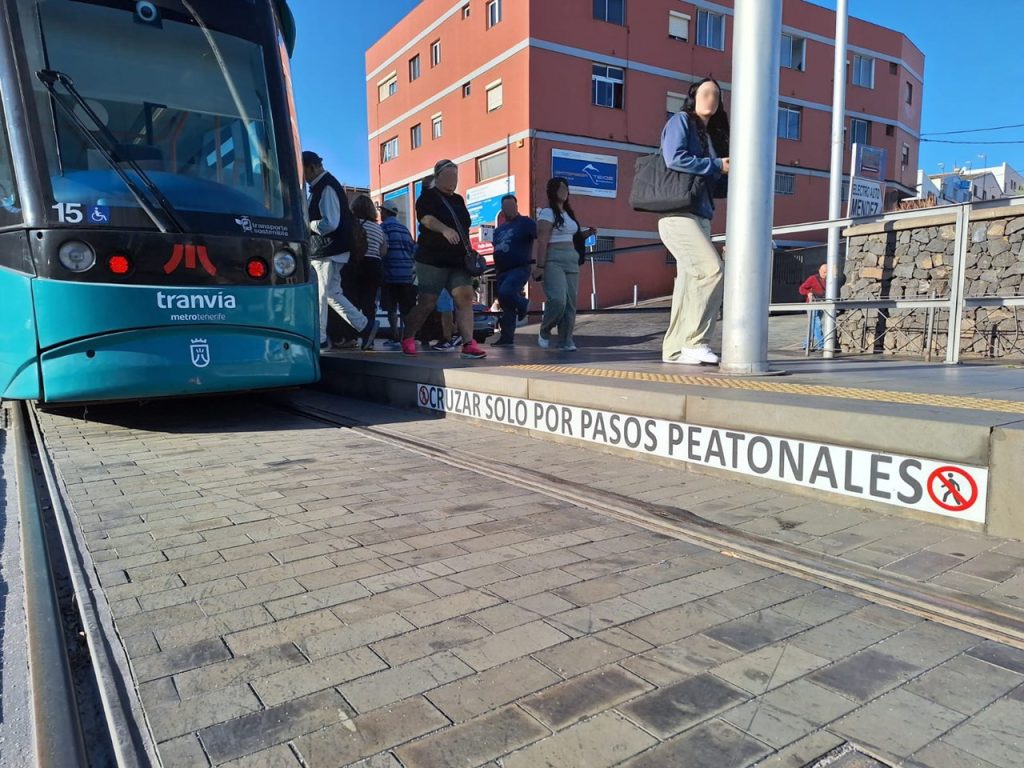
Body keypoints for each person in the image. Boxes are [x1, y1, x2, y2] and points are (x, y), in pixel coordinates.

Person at [658, 78, 730, 366]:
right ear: (693, 97)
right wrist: (715, 165)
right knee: (712, 271)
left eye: (716, 94)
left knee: (688, 286)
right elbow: (673, 157)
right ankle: (695, 342)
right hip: (677, 215)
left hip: (699, 215)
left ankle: (674, 350)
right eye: (705, 93)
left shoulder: (708, 135)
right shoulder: (681, 121)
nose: (711, 98)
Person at [400, 159, 487, 360]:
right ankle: (408, 335)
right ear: (437, 177)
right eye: (448, 176)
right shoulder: (427, 197)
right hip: (432, 258)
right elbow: (426, 219)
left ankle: (468, 343)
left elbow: (463, 226)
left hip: (458, 259)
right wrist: (444, 229)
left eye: (455, 176)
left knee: (464, 297)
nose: (452, 180)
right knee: (427, 303)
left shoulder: (458, 200)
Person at [302, 151, 376, 351]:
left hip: (327, 250)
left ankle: (321, 338)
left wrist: (308, 224)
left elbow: (330, 223)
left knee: (321, 294)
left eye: (304, 171)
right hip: (335, 249)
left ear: (312, 167)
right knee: (332, 293)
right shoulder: (326, 186)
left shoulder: (324, 187)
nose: (303, 176)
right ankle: (364, 325)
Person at [533, 177, 594, 351]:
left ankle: (566, 340)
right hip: (553, 259)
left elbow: (573, 237)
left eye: (566, 189)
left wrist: (587, 233)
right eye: (561, 189)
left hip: (571, 259)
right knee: (558, 299)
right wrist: (540, 266)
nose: (564, 192)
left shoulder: (568, 214)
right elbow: (543, 241)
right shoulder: (547, 213)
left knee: (571, 302)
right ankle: (545, 330)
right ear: (552, 191)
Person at [492, 194, 536, 345]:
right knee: (506, 305)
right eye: (506, 207)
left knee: (507, 292)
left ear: (516, 207)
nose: (509, 209)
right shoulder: (499, 230)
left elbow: (540, 237)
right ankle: (506, 338)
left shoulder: (525, 223)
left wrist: (538, 263)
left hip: (519, 267)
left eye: (512, 206)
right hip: (502, 270)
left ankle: (523, 303)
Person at [349, 194, 388, 350]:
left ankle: (350, 336)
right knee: (369, 303)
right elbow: (383, 251)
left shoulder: (353, 224)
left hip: (356, 264)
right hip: (375, 266)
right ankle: (369, 339)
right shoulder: (378, 229)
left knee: (351, 302)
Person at [379, 201, 417, 348]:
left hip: (390, 274)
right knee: (407, 309)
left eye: (382, 211)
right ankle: (408, 337)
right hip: (406, 275)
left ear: (386, 212)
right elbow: (413, 250)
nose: (380, 213)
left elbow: (382, 250)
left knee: (391, 308)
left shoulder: (383, 228)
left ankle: (395, 336)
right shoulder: (405, 229)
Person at [799, 263, 828, 350]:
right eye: (824, 272)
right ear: (819, 270)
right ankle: (821, 344)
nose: (825, 274)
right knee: (817, 323)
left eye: (827, 272)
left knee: (814, 325)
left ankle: (806, 344)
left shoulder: (830, 280)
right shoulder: (812, 278)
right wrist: (808, 293)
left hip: (822, 304)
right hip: (812, 304)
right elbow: (801, 288)